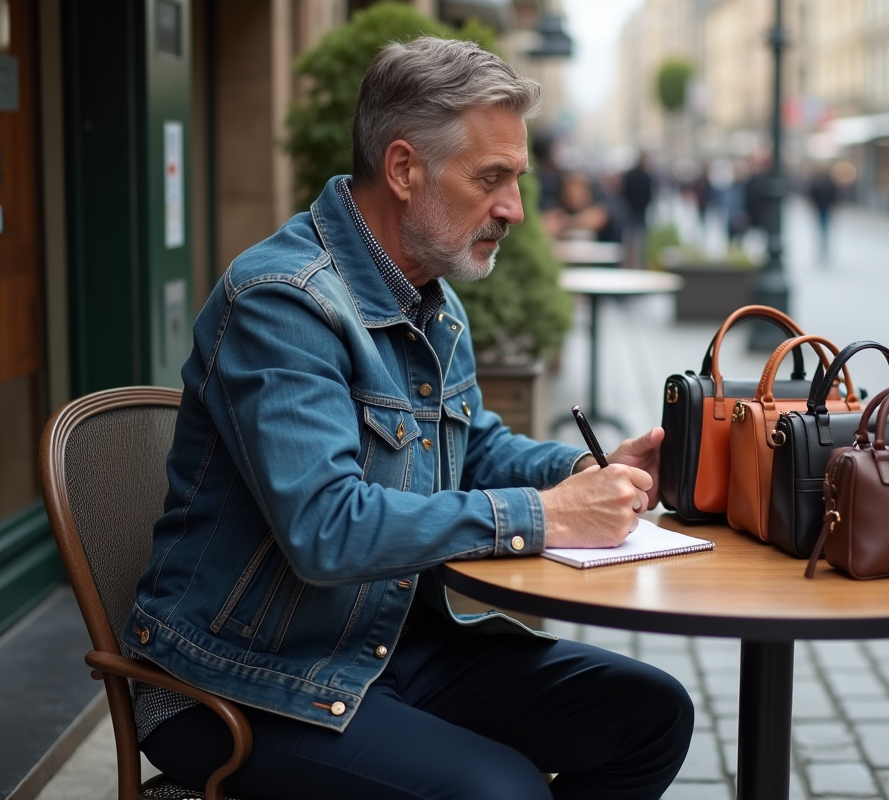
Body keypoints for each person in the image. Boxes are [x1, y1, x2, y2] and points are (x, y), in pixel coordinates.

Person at [122, 38, 692, 800]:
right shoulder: (283, 300)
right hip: (235, 682)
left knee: (651, 714)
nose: (514, 209)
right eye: (491, 178)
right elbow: (326, 528)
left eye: (517, 179)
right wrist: (545, 518)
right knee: (503, 791)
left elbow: (473, 444)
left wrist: (582, 473)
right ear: (402, 169)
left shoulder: (431, 297)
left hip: (385, 646)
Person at [620, 152, 655, 267]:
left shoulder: (634, 175)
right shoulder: (645, 176)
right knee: (636, 239)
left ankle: (634, 263)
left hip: (635, 210)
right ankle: (635, 263)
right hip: (635, 210)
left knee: (634, 239)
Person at [808, 164, 838, 264]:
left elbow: (834, 196)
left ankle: (824, 249)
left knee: (825, 229)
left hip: (826, 208)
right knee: (821, 229)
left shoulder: (829, 183)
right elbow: (812, 194)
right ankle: (821, 249)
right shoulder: (816, 183)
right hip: (820, 208)